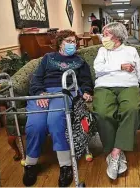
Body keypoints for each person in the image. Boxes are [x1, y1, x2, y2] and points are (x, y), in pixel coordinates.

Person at [23, 30, 94, 187]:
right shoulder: (48, 58)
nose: (73, 44)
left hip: (65, 92)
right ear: (60, 43)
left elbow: (85, 80)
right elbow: (36, 79)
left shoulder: (80, 61)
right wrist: (40, 93)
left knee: (56, 121)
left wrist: (87, 92)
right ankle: (30, 164)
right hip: (43, 93)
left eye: (74, 41)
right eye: (69, 41)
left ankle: (65, 166)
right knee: (36, 124)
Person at [93, 22, 140, 180]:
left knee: (131, 109)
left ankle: (115, 153)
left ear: (117, 37)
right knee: (102, 112)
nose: (103, 38)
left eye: (106, 34)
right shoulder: (102, 50)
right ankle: (114, 152)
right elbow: (98, 70)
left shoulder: (131, 51)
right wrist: (120, 66)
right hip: (104, 87)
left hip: (128, 87)